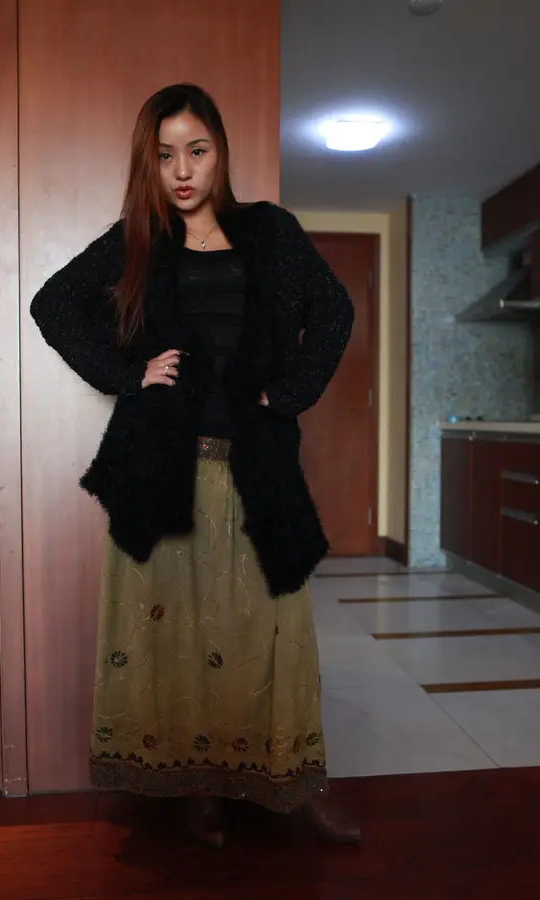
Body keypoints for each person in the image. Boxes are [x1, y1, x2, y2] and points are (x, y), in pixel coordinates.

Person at [30, 83, 357, 849]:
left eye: (197, 151)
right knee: (176, 636)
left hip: (256, 469)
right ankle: (197, 788)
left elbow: (334, 311)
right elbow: (53, 304)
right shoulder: (138, 241)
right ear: (149, 163)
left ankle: (299, 785)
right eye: (165, 155)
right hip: (163, 471)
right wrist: (126, 374)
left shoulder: (269, 232)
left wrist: (290, 393)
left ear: (220, 152)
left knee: (272, 630)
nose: (182, 171)